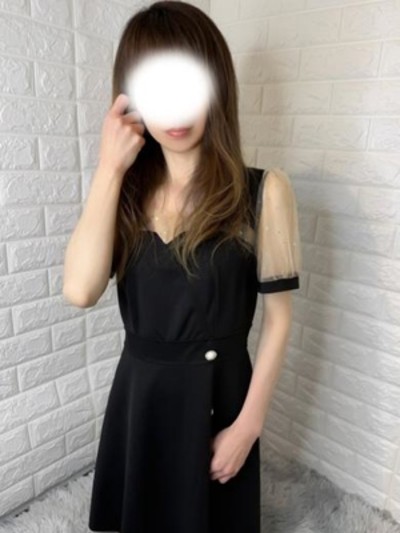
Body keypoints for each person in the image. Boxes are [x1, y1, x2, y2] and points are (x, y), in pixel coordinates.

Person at [62, 2, 302, 532]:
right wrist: (108, 167)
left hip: (220, 401)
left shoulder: (263, 191)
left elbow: (279, 321)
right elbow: (79, 290)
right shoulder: (123, 194)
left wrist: (248, 427)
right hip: (140, 397)